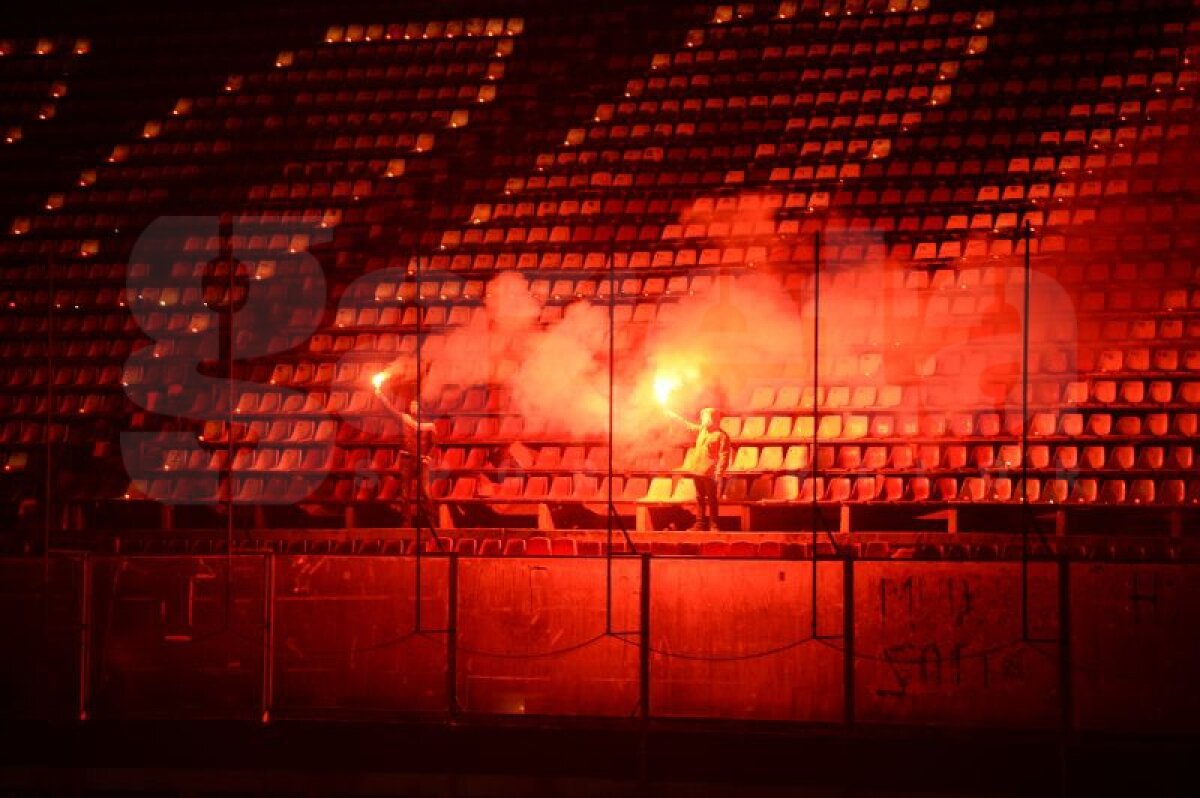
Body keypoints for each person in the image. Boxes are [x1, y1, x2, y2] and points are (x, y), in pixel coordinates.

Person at [374, 387, 437, 527]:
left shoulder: (429, 425)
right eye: (411, 405)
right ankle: (406, 522)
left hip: (422, 461)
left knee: (426, 493)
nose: (412, 407)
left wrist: (428, 457)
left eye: (415, 405)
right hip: (406, 459)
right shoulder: (404, 419)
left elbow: (435, 443)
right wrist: (380, 395)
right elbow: (389, 409)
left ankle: (432, 522)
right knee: (405, 493)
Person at [665, 406, 732, 531]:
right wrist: (673, 416)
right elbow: (688, 426)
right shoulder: (702, 430)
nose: (702, 419)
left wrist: (719, 473)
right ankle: (700, 524)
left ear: (712, 418)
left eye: (705, 417)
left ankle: (714, 525)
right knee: (700, 499)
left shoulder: (722, 436)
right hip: (697, 471)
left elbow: (724, 456)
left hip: (710, 473)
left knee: (712, 500)